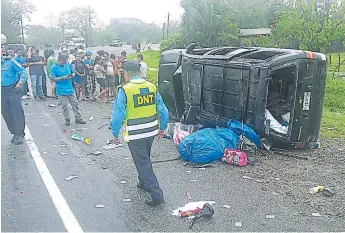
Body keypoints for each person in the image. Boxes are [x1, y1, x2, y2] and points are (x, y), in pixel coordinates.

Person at [110, 61, 168, 206]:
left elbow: (118, 115)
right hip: (151, 131)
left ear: (127, 74)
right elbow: (162, 110)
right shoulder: (151, 86)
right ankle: (143, 182)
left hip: (135, 134)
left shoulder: (125, 90)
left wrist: (114, 134)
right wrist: (162, 127)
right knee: (144, 157)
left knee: (143, 162)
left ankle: (156, 195)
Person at [1, 45, 29, 145]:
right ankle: (14, 132)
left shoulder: (10, 61)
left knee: (16, 112)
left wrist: (20, 83)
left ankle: (19, 134)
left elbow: (23, 72)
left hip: (12, 89)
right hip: (1, 92)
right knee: (6, 113)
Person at [50, 55, 86, 126]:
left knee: (75, 104)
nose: (64, 63)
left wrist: (72, 75)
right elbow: (53, 78)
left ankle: (78, 118)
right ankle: (67, 119)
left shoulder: (67, 64)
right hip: (61, 90)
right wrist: (63, 77)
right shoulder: (54, 67)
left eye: (65, 61)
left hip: (70, 88)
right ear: (59, 60)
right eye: (63, 62)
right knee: (64, 106)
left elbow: (73, 71)